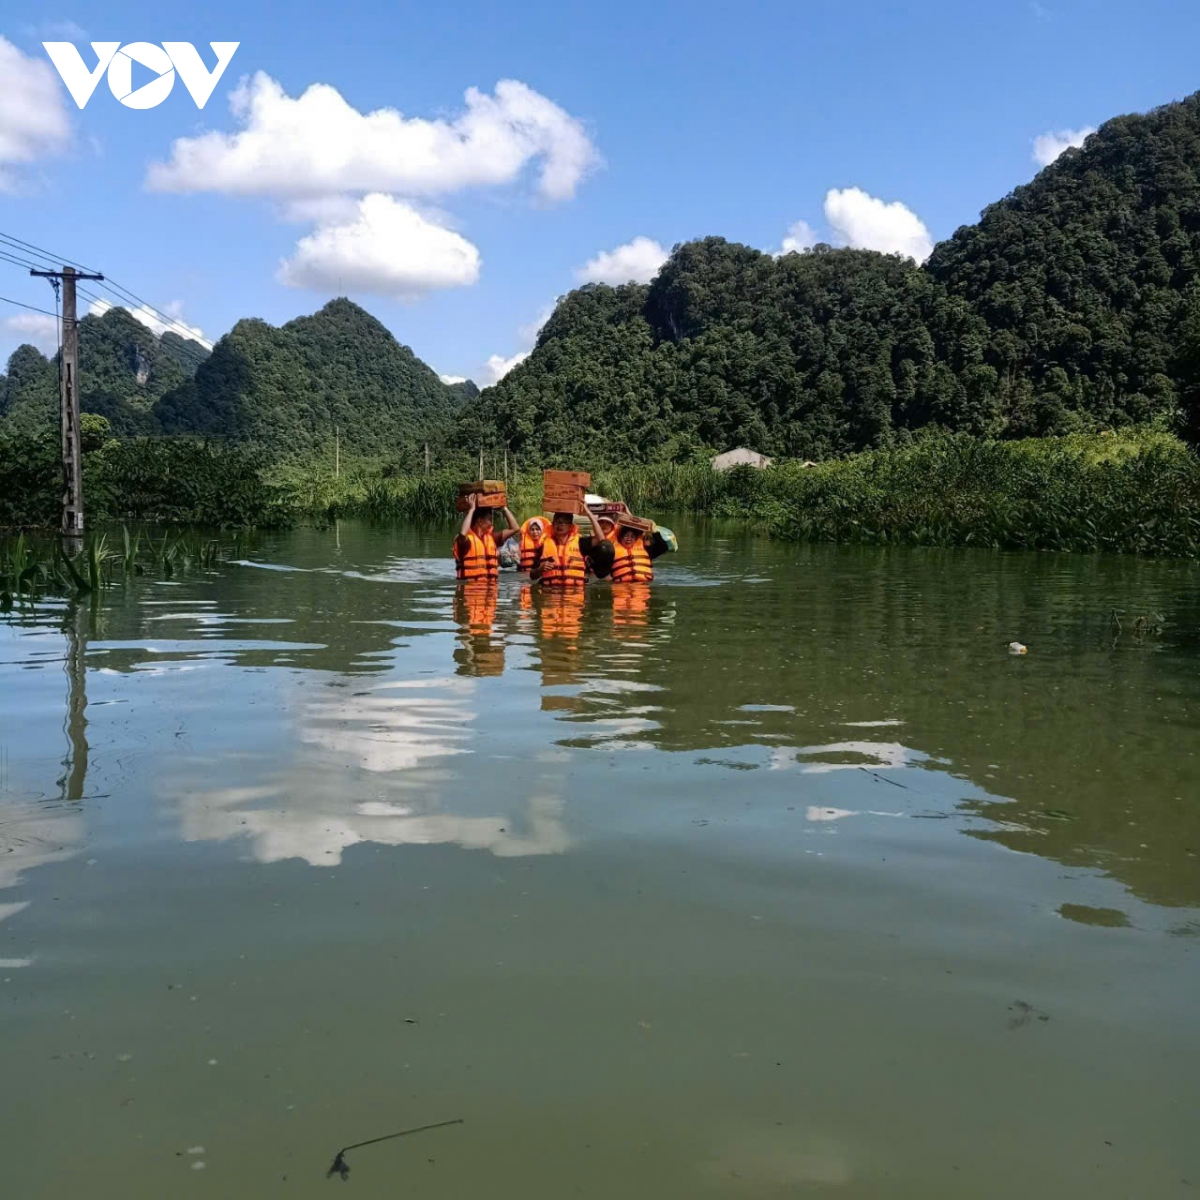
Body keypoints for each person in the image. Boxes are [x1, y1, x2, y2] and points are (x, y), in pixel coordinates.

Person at [529, 508, 611, 588]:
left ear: (571, 527)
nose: (559, 525)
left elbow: (601, 539)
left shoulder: (580, 543)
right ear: (552, 525)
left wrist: (589, 514)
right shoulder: (543, 546)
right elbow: (532, 575)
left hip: (575, 594)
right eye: (557, 522)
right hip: (551, 594)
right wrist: (540, 569)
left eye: (563, 522)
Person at [453, 494, 520, 582]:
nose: (491, 524)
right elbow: (462, 533)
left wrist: (504, 508)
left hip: (489, 590)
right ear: (480, 521)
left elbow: (515, 528)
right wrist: (471, 510)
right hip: (469, 591)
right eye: (489, 520)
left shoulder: (492, 538)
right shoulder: (466, 541)